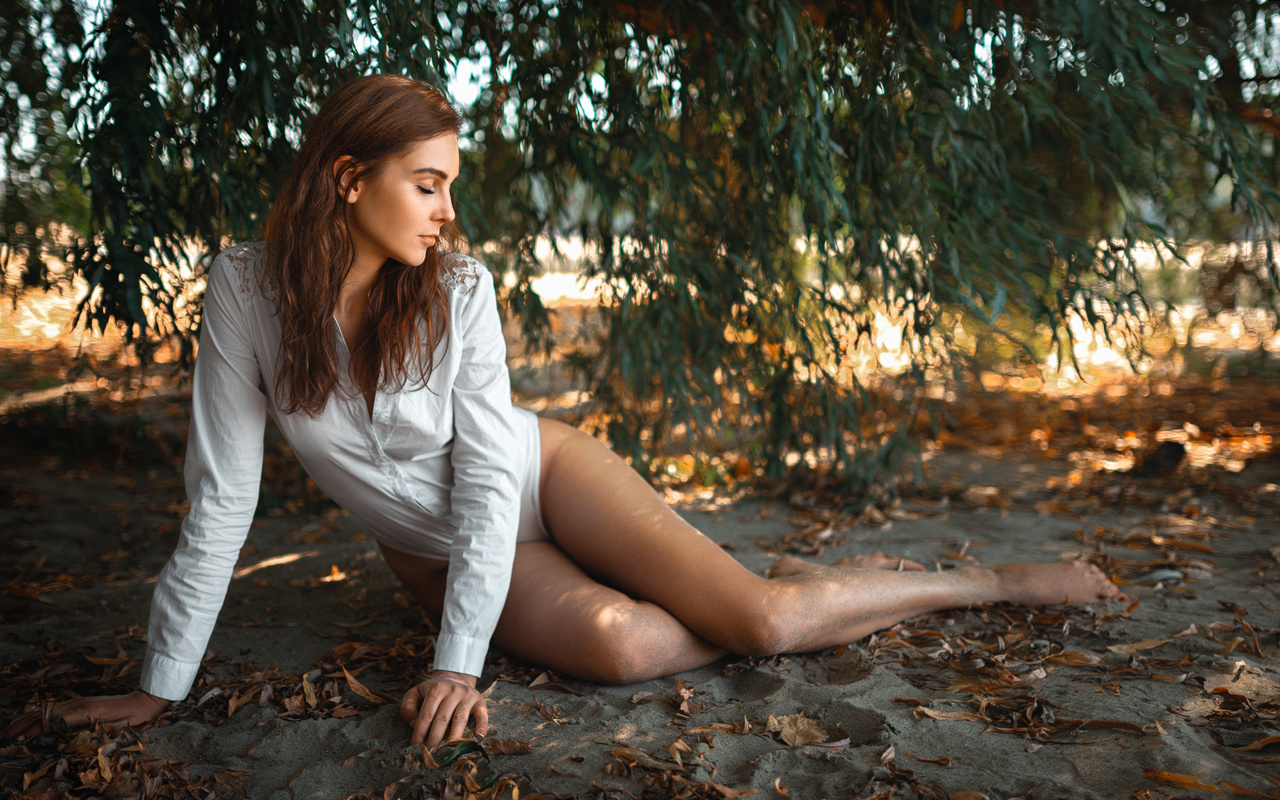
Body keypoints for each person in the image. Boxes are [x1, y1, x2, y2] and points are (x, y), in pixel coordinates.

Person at [3, 74, 1125, 749]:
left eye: (451, 184)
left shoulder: (459, 292)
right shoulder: (243, 294)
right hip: (428, 551)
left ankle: (976, 582)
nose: (448, 208)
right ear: (349, 178)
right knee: (624, 640)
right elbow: (221, 500)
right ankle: (739, 598)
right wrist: (162, 685)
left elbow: (494, 483)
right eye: (428, 181)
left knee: (769, 627)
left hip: (541, 477)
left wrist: (455, 666)